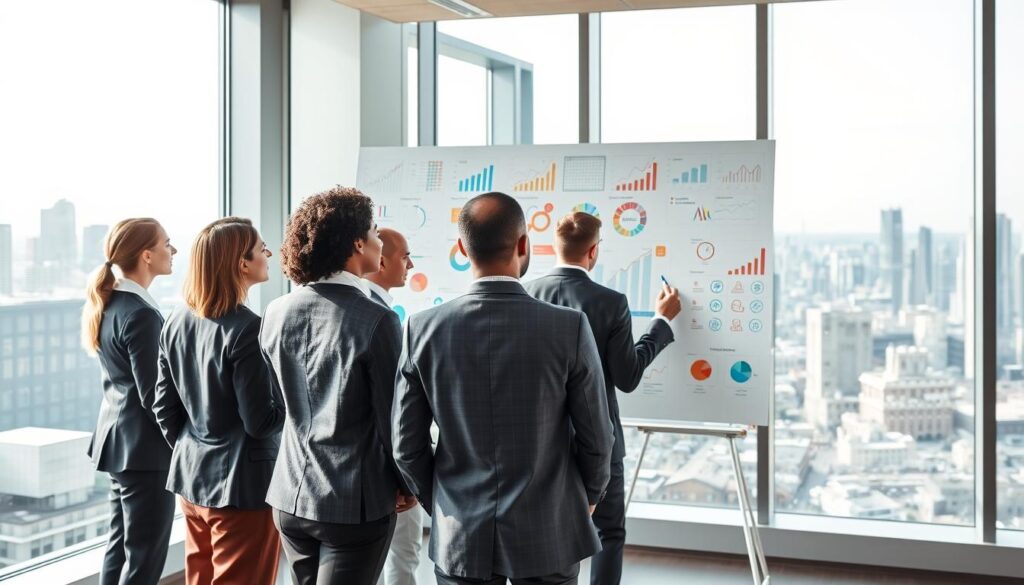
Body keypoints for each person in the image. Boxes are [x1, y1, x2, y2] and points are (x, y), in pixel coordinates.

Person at [393, 192, 613, 585]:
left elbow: (406, 445)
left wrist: (444, 502)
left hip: (460, 532)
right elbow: (598, 434)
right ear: (524, 245)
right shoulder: (569, 327)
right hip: (550, 529)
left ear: (462, 248)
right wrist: (588, 497)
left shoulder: (421, 328)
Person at [260, 187, 416, 585]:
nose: (381, 242)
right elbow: (392, 418)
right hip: (353, 504)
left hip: (290, 495)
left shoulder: (275, 312)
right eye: (376, 232)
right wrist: (406, 484)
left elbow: (281, 402)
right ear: (357, 243)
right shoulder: (377, 319)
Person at [524, 211, 682, 585]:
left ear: (553, 247)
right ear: (593, 252)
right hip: (599, 441)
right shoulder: (610, 302)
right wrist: (661, 323)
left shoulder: (525, 293)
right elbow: (627, 377)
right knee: (608, 532)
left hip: (538, 442)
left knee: (545, 531)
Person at [153, 217, 285, 585]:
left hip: (192, 481)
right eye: (261, 249)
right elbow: (260, 422)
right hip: (242, 488)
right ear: (242, 264)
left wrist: (196, 450)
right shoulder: (247, 328)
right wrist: (294, 399)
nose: (269, 254)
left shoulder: (175, 320)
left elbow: (163, 407)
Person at [81, 218, 178, 585]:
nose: (172, 252)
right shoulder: (141, 313)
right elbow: (155, 395)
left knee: (120, 547)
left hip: (119, 444)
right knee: (145, 559)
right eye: (168, 244)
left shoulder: (112, 303)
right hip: (145, 451)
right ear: (147, 255)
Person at [363, 227, 422, 585]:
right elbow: (393, 406)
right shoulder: (379, 317)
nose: (411, 264)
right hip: (383, 471)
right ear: (382, 260)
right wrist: (407, 479)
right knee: (403, 557)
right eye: (405, 256)